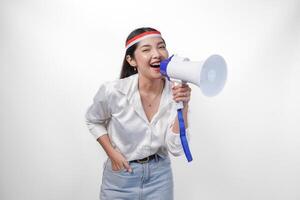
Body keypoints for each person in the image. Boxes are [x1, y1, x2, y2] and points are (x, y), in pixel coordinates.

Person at [85, 27, 192, 200]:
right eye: (146, 49)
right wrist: (112, 153)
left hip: (160, 178)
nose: (157, 53)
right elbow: (93, 121)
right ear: (131, 60)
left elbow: (176, 148)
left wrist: (184, 105)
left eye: (161, 46)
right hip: (121, 177)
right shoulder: (113, 91)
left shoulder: (175, 93)